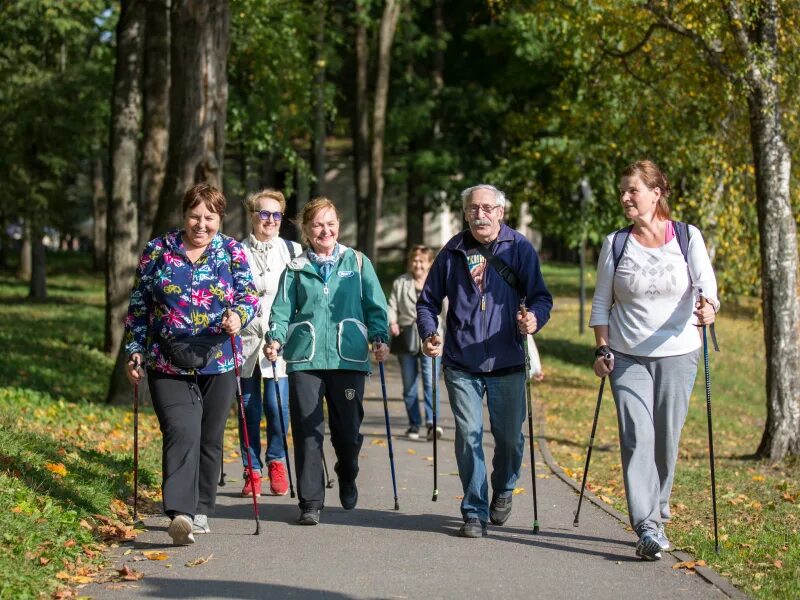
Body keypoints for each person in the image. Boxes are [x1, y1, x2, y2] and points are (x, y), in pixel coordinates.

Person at [589, 160, 719, 561]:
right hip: (627, 356)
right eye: (623, 191)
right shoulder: (616, 243)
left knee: (666, 439)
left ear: (656, 193)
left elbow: (708, 288)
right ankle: (646, 524)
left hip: (679, 353)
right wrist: (602, 348)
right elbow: (601, 303)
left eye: (633, 190)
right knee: (637, 436)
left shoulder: (687, 236)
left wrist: (709, 308)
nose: (625, 197)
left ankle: (659, 510)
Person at [124, 183, 258, 545]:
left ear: (220, 218)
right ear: (184, 215)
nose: (201, 224)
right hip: (167, 359)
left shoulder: (232, 251)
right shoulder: (158, 250)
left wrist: (239, 316)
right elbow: (139, 308)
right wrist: (134, 350)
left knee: (210, 438)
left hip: (219, 358)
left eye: (209, 218)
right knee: (182, 430)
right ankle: (179, 513)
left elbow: (249, 296)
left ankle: (200, 509)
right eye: (195, 216)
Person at [417, 183, 552, 538]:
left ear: (500, 213)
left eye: (488, 208)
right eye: (474, 208)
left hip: (506, 359)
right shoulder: (452, 251)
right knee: (469, 435)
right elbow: (428, 301)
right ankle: (474, 511)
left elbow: (541, 297)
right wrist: (430, 332)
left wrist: (534, 319)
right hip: (462, 362)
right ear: (465, 213)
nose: (481, 214)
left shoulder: (519, 248)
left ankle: (504, 487)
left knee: (509, 439)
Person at [265, 197, 389, 526]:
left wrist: (380, 337)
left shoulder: (357, 262)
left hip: (347, 357)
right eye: (318, 224)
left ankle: (347, 474)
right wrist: (275, 339)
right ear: (306, 229)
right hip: (305, 357)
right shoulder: (295, 268)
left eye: (330, 223)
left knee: (347, 433)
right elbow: (280, 310)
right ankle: (310, 501)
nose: (325, 230)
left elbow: (376, 306)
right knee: (307, 429)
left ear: (338, 226)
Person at [237, 189, 303, 498]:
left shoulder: (293, 250)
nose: (271, 220)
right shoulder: (235, 252)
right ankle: (252, 469)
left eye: (276, 215)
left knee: (277, 406)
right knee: (248, 410)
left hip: (281, 344)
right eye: (264, 214)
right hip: (245, 342)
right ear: (252, 216)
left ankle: (277, 460)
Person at [387, 245, 444, 441]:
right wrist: (392, 321)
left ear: (429, 263)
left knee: (431, 382)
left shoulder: (437, 282)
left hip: (432, 337)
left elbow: (446, 310)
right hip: (407, 338)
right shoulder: (401, 282)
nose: (417, 264)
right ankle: (414, 423)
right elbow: (392, 305)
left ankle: (432, 423)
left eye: (421, 261)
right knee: (409, 384)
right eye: (414, 261)